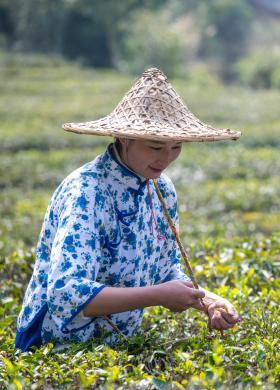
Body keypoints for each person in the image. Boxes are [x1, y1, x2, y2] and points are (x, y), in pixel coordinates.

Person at [15, 68, 242, 352]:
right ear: (125, 138)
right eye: (156, 146)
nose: (166, 158)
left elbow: (164, 268)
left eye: (176, 147)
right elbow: (65, 293)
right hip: (55, 348)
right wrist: (157, 296)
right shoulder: (87, 193)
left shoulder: (161, 189)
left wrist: (209, 301)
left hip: (114, 349)